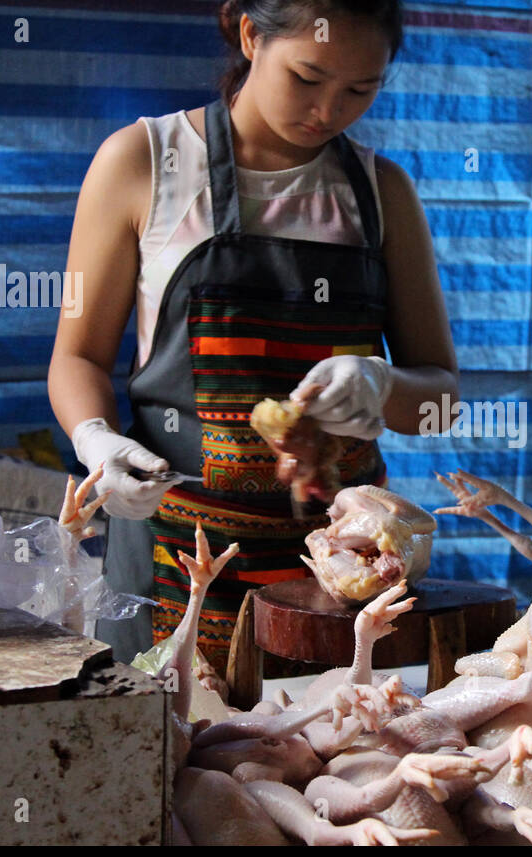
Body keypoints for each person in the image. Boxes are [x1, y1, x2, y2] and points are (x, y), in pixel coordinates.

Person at [48, 0, 457, 668]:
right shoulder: (143, 163)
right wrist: (96, 440)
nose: (328, 110)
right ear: (249, 35)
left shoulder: (383, 195)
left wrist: (383, 385)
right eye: (307, 77)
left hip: (337, 580)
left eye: (360, 90)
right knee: (174, 755)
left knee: (327, 758)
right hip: (176, 559)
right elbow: (77, 356)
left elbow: (441, 399)